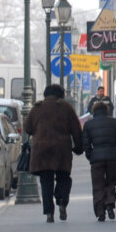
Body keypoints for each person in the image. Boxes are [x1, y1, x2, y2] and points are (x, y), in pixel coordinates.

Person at [25, 83, 84, 223]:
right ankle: (62, 201)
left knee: (46, 182)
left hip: (42, 151)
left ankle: (49, 213)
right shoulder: (65, 108)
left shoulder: (37, 108)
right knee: (64, 177)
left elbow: (27, 128)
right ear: (61, 94)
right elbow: (76, 130)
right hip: (61, 150)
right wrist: (79, 148)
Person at [81, 101, 116, 222]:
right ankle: (109, 204)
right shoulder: (115, 122)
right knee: (111, 182)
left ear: (93, 111)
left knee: (98, 185)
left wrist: (91, 156)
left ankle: (100, 211)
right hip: (113, 157)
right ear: (107, 110)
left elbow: (86, 144)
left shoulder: (88, 125)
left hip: (96, 158)